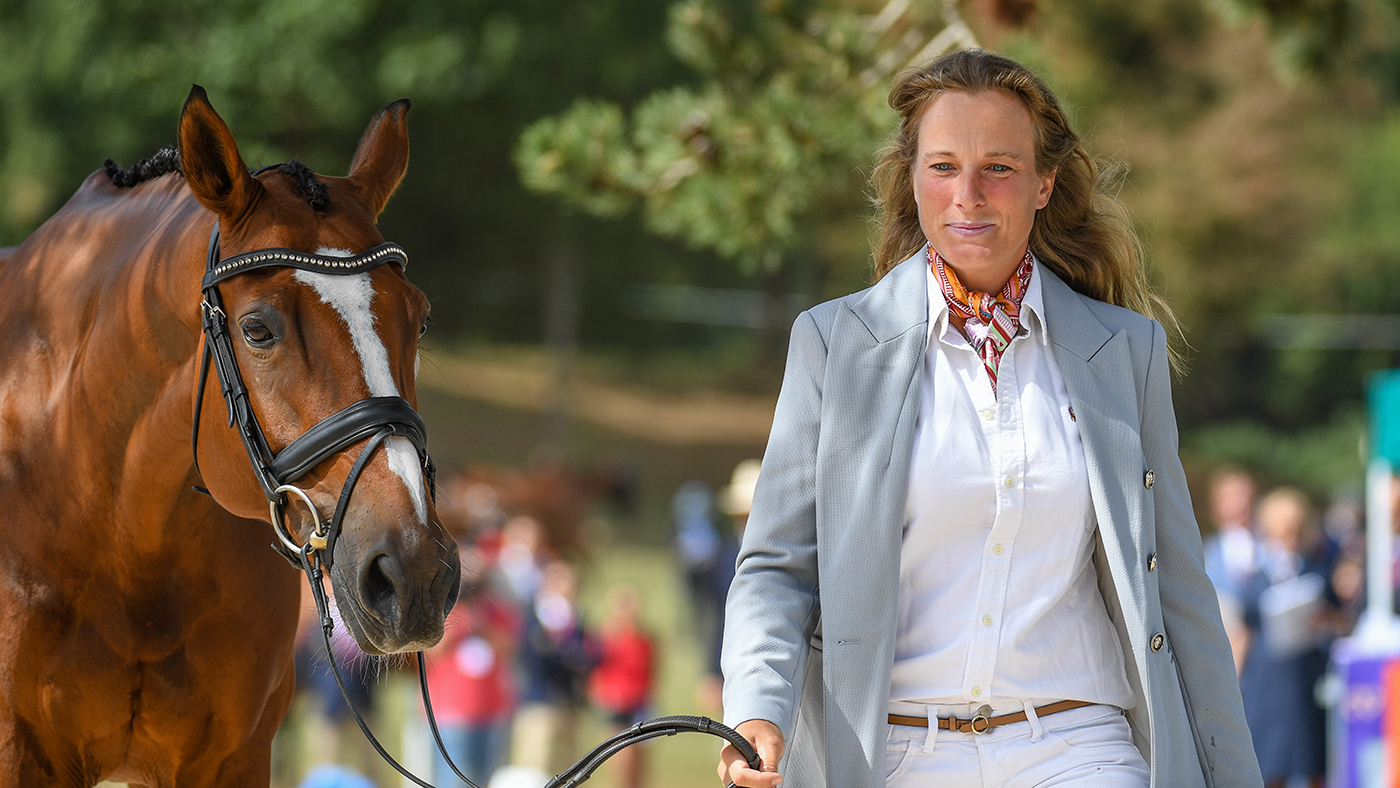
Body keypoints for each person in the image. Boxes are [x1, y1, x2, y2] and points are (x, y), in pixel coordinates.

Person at [717, 49, 1262, 788]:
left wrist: (1232, 771)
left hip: (1080, 745)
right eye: (943, 167)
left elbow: (1176, 589)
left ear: (1044, 183)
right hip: (897, 754)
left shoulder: (1125, 351)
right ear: (913, 181)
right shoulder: (833, 345)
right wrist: (757, 709)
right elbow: (778, 567)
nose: (967, 195)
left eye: (998, 168)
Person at [1238, 488, 1334, 788]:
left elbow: (1334, 612)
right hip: (1268, 677)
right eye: (1282, 522)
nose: (1289, 529)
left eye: (1294, 522)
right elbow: (1246, 620)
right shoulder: (1259, 572)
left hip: (1305, 674)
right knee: (1271, 760)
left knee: (1311, 756)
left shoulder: (1314, 567)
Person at [1200, 466, 1259, 672]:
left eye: (1242, 496)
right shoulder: (1207, 551)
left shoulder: (1267, 546)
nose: (1238, 503)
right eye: (1230, 497)